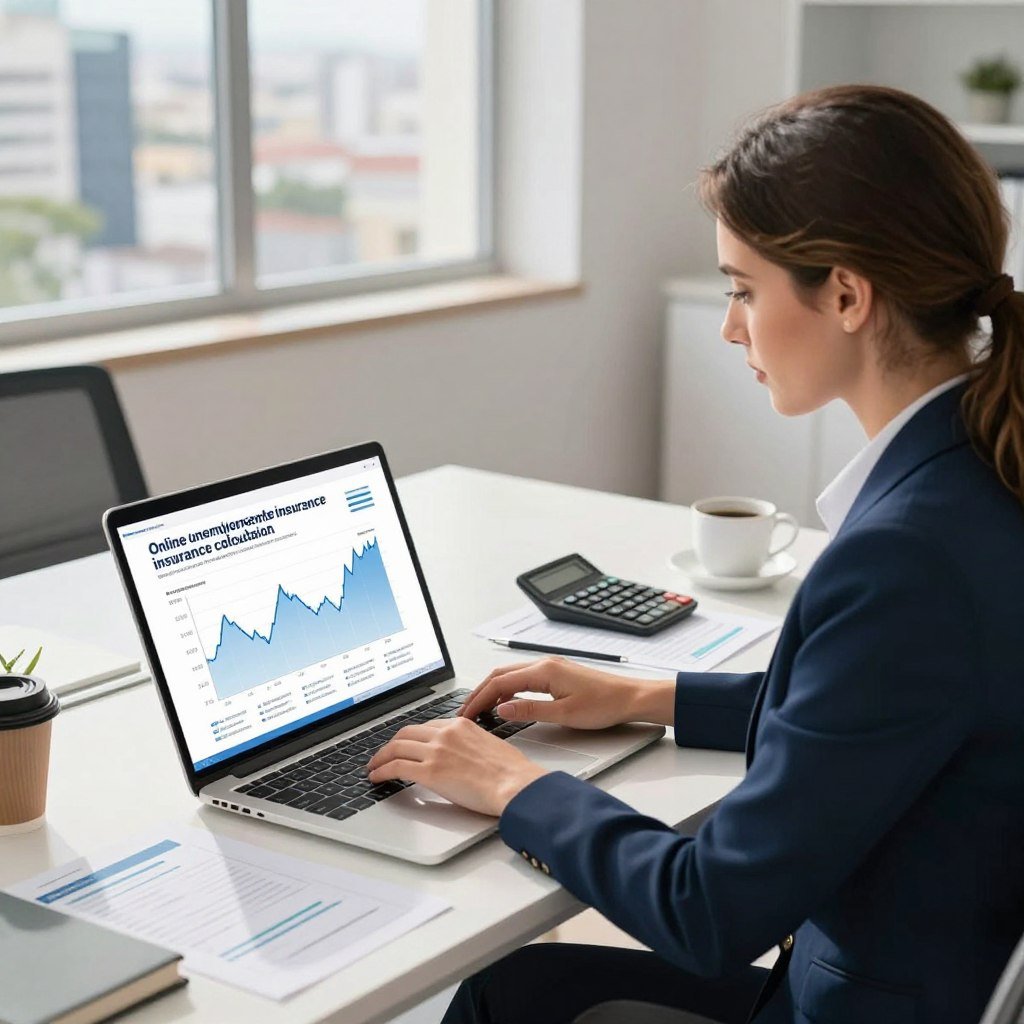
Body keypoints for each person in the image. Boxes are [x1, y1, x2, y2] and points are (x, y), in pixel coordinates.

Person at [366, 84, 1024, 1024]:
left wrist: (514, 783)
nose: (730, 326)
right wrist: (648, 696)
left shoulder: (908, 558)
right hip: (928, 977)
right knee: (524, 988)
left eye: (743, 290)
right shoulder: (985, 470)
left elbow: (709, 907)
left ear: (845, 293)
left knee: (506, 1002)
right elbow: (888, 711)